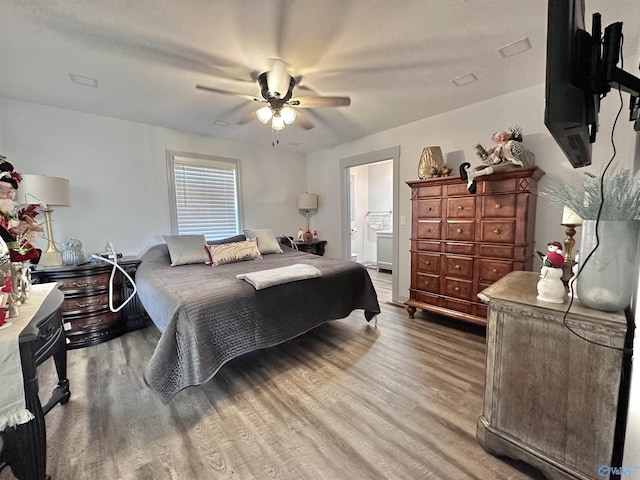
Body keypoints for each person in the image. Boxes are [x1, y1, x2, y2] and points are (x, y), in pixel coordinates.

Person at [459, 130, 533, 193]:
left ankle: (472, 176)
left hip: (511, 163)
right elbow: (490, 160)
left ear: (508, 136)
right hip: (499, 163)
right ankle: (471, 175)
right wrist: (484, 155)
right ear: (497, 140)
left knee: (496, 168)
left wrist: (511, 147)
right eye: (500, 137)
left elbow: (520, 152)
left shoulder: (512, 144)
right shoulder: (497, 149)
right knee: (482, 166)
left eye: (504, 136)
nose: (502, 138)